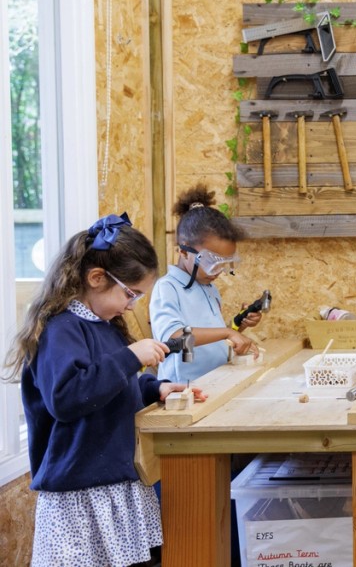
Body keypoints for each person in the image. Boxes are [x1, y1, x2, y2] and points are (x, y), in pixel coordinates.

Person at [2, 213, 204, 567]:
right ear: (97, 278)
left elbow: (110, 388)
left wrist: (155, 389)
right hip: (79, 495)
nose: (131, 305)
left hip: (116, 484)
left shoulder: (105, 326)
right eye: (131, 294)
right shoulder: (60, 330)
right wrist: (129, 357)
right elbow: (67, 398)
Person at [150, 185, 260, 383]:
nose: (218, 272)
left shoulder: (208, 287)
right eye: (211, 263)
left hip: (214, 382)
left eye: (223, 264)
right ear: (183, 251)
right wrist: (226, 332)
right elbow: (175, 338)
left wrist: (238, 327)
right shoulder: (167, 288)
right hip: (184, 389)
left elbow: (212, 340)